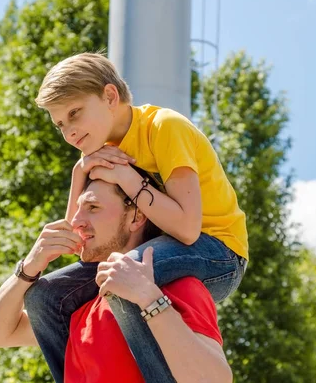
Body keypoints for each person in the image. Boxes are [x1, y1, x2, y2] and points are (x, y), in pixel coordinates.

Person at [26, 52, 249, 382]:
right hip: (165, 248)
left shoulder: (164, 128)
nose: (69, 131)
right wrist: (80, 170)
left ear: (110, 96)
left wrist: (128, 178)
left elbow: (188, 231)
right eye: (61, 124)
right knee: (44, 298)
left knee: (123, 277)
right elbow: (80, 241)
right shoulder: (100, 147)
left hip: (218, 252)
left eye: (75, 113)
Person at [0, 177, 233, 382]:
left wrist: (148, 298)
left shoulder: (176, 287)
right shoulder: (75, 306)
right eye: (78, 209)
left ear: (136, 216)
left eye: (93, 208)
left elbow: (214, 379)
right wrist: (29, 268)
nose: (76, 221)